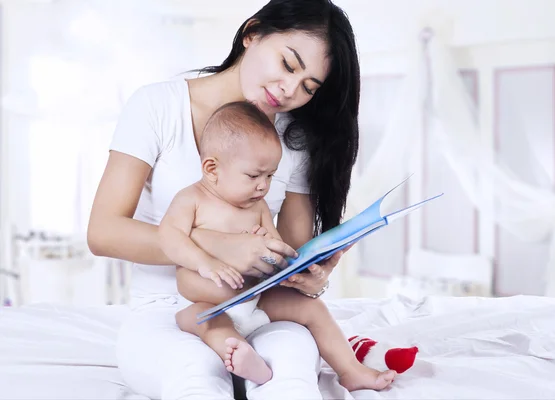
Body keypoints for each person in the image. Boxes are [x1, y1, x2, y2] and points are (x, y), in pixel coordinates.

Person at [87, 0, 362, 398]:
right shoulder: (158, 106)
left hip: (259, 306)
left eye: (308, 87)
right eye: (288, 64)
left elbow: (290, 248)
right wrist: (220, 248)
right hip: (170, 309)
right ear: (252, 33)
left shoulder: (295, 139)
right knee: (195, 374)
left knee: (291, 371)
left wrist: (309, 274)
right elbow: (103, 232)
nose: (290, 90)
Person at [159, 101, 396, 390]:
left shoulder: (256, 206)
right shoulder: (191, 200)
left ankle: (350, 370)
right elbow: (169, 238)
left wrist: (285, 254)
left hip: (256, 301)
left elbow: (276, 249)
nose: (263, 186)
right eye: (254, 176)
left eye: (270, 176)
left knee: (314, 309)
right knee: (211, 326)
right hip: (207, 305)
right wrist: (205, 263)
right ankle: (242, 360)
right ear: (212, 169)